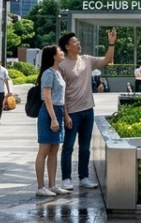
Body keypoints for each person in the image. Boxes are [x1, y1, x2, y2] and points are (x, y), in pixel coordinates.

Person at [57, 29, 116, 191]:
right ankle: (66, 179)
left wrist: (111, 44)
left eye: (78, 41)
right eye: (75, 42)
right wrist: (65, 114)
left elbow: (107, 60)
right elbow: (61, 92)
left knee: (85, 147)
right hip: (72, 112)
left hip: (88, 110)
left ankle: (84, 177)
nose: (78, 43)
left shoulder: (87, 60)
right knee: (68, 146)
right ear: (67, 47)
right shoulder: (62, 66)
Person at [35, 45, 69, 197]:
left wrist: (65, 115)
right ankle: (41, 187)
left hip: (58, 111)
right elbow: (47, 97)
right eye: (60, 51)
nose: (62, 53)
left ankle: (53, 185)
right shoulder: (48, 73)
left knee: (54, 151)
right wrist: (53, 118)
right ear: (54, 56)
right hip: (49, 112)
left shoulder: (58, 72)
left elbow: (62, 97)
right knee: (44, 150)